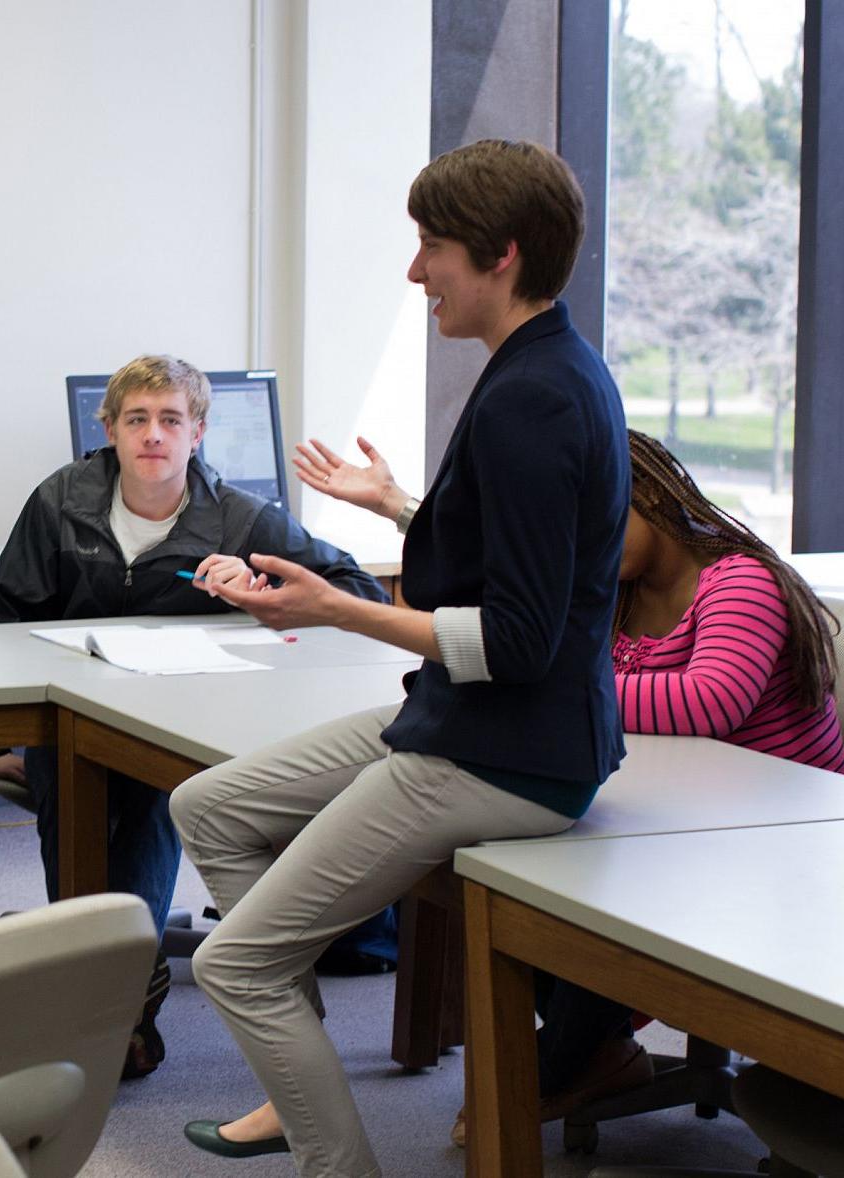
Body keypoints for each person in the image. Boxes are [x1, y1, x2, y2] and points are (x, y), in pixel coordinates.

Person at [170, 139, 628, 1175]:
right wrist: (400, 505)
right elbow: (531, 560)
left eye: (432, 247)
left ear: (501, 255)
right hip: (484, 723)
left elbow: (516, 638)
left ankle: (335, 1156)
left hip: (506, 750)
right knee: (207, 807)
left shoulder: (530, 399)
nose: (415, 270)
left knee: (235, 965)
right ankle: (297, 1075)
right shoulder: (550, 367)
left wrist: (338, 608)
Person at [0, 352, 387, 1079]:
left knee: (145, 793)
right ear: (108, 429)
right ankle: (105, 990)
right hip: (72, 721)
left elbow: (357, 597)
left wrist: (258, 588)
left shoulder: (240, 518)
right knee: (70, 782)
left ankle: (117, 1005)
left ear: (199, 433)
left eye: (170, 420)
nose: (153, 436)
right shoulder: (60, 502)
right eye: (137, 420)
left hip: (185, 727)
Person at [454, 428, 844, 1145]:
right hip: (684, 812)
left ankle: (581, 1051)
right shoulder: (619, 590)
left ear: (652, 497)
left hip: (784, 838)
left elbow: (707, 702)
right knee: (513, 843)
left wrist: (563, 691)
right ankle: (598, 1047)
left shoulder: (739, 579)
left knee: (583, 873)